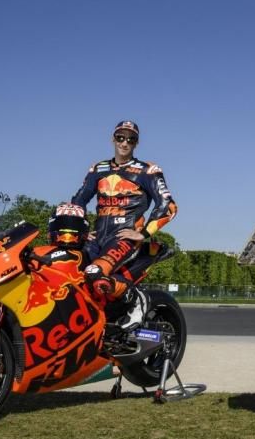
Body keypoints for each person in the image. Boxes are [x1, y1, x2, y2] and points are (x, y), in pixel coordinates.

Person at [72, 120, 178, 330]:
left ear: (136, 143)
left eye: (131, 139)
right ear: (113, 139)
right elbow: (78, 201)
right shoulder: (97, 169)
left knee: (95, 272)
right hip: (98, 237)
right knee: (70, 272)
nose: (125, 142)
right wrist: (82, 231)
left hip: (124, 238)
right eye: (120, 137)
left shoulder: (148, 171)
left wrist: (144, 232)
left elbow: (169, 206)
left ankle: (137, 299)